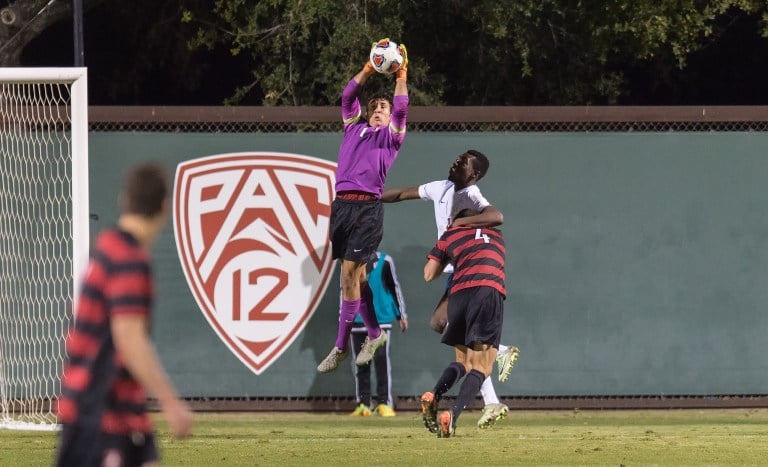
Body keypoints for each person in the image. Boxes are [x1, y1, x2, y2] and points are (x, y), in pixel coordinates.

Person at [55, 164, 193, 466]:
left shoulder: (105, 250)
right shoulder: (128, 258)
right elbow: (128, 337)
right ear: (164, 207)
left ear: (124, 200)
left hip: (115, 408)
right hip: (99, 414)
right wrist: (171, 402)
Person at [382, 149, 519, 428]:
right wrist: (370, 198)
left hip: (464, 269)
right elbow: (401, 194)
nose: (456, 162)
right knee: (439, 325)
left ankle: (485, 399)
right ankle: (493, 384)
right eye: (457, 159)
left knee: (465, 350)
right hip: (457, 273)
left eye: (463, 163)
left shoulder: (472, 195)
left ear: (474, 174)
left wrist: (458, 225)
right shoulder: (439, 187)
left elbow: (497, 215)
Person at [317, 39, 410, 374]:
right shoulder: (353, 129)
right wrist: (370, 68)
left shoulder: (392, 137)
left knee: (347, 275)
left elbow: (401, 110)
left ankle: (341, 345)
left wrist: (401, 75)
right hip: (342, 207)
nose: (379, 111)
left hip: (367, 209)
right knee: (359, 279)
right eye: (375, 108)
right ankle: (373, 334)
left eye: (383, 109)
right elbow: (346, 97)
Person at [420, 208, 507, 437]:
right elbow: (497, 216)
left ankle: (434, 395)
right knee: (483, 365)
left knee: (463, 361)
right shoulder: (497, 235)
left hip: (458, 294)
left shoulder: (451, 234)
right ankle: (453, 415)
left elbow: (428, 275)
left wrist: (446, 256)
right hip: (489, 290)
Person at [347, 251, 408, 417]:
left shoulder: (386, 261)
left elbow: (394, 286)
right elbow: (344, 290)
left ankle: (384, 403)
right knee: (361, 364)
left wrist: (401, 315)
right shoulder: (349, 262)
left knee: (382, 361)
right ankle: (364, 404)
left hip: (381, 319)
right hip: (357, 320)